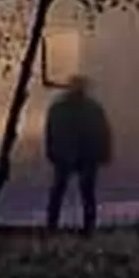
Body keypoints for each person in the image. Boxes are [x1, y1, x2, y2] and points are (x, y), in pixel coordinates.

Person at [42, 74, 113, 231]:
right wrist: (104, 153)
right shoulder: (92, 108)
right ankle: (87, 228)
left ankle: (53, 226)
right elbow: (104, 132)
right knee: (83, 193)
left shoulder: (60, 108)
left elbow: (50, 132)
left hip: (69, 155)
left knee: (61, 192)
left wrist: (51, 151)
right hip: (82, 155)